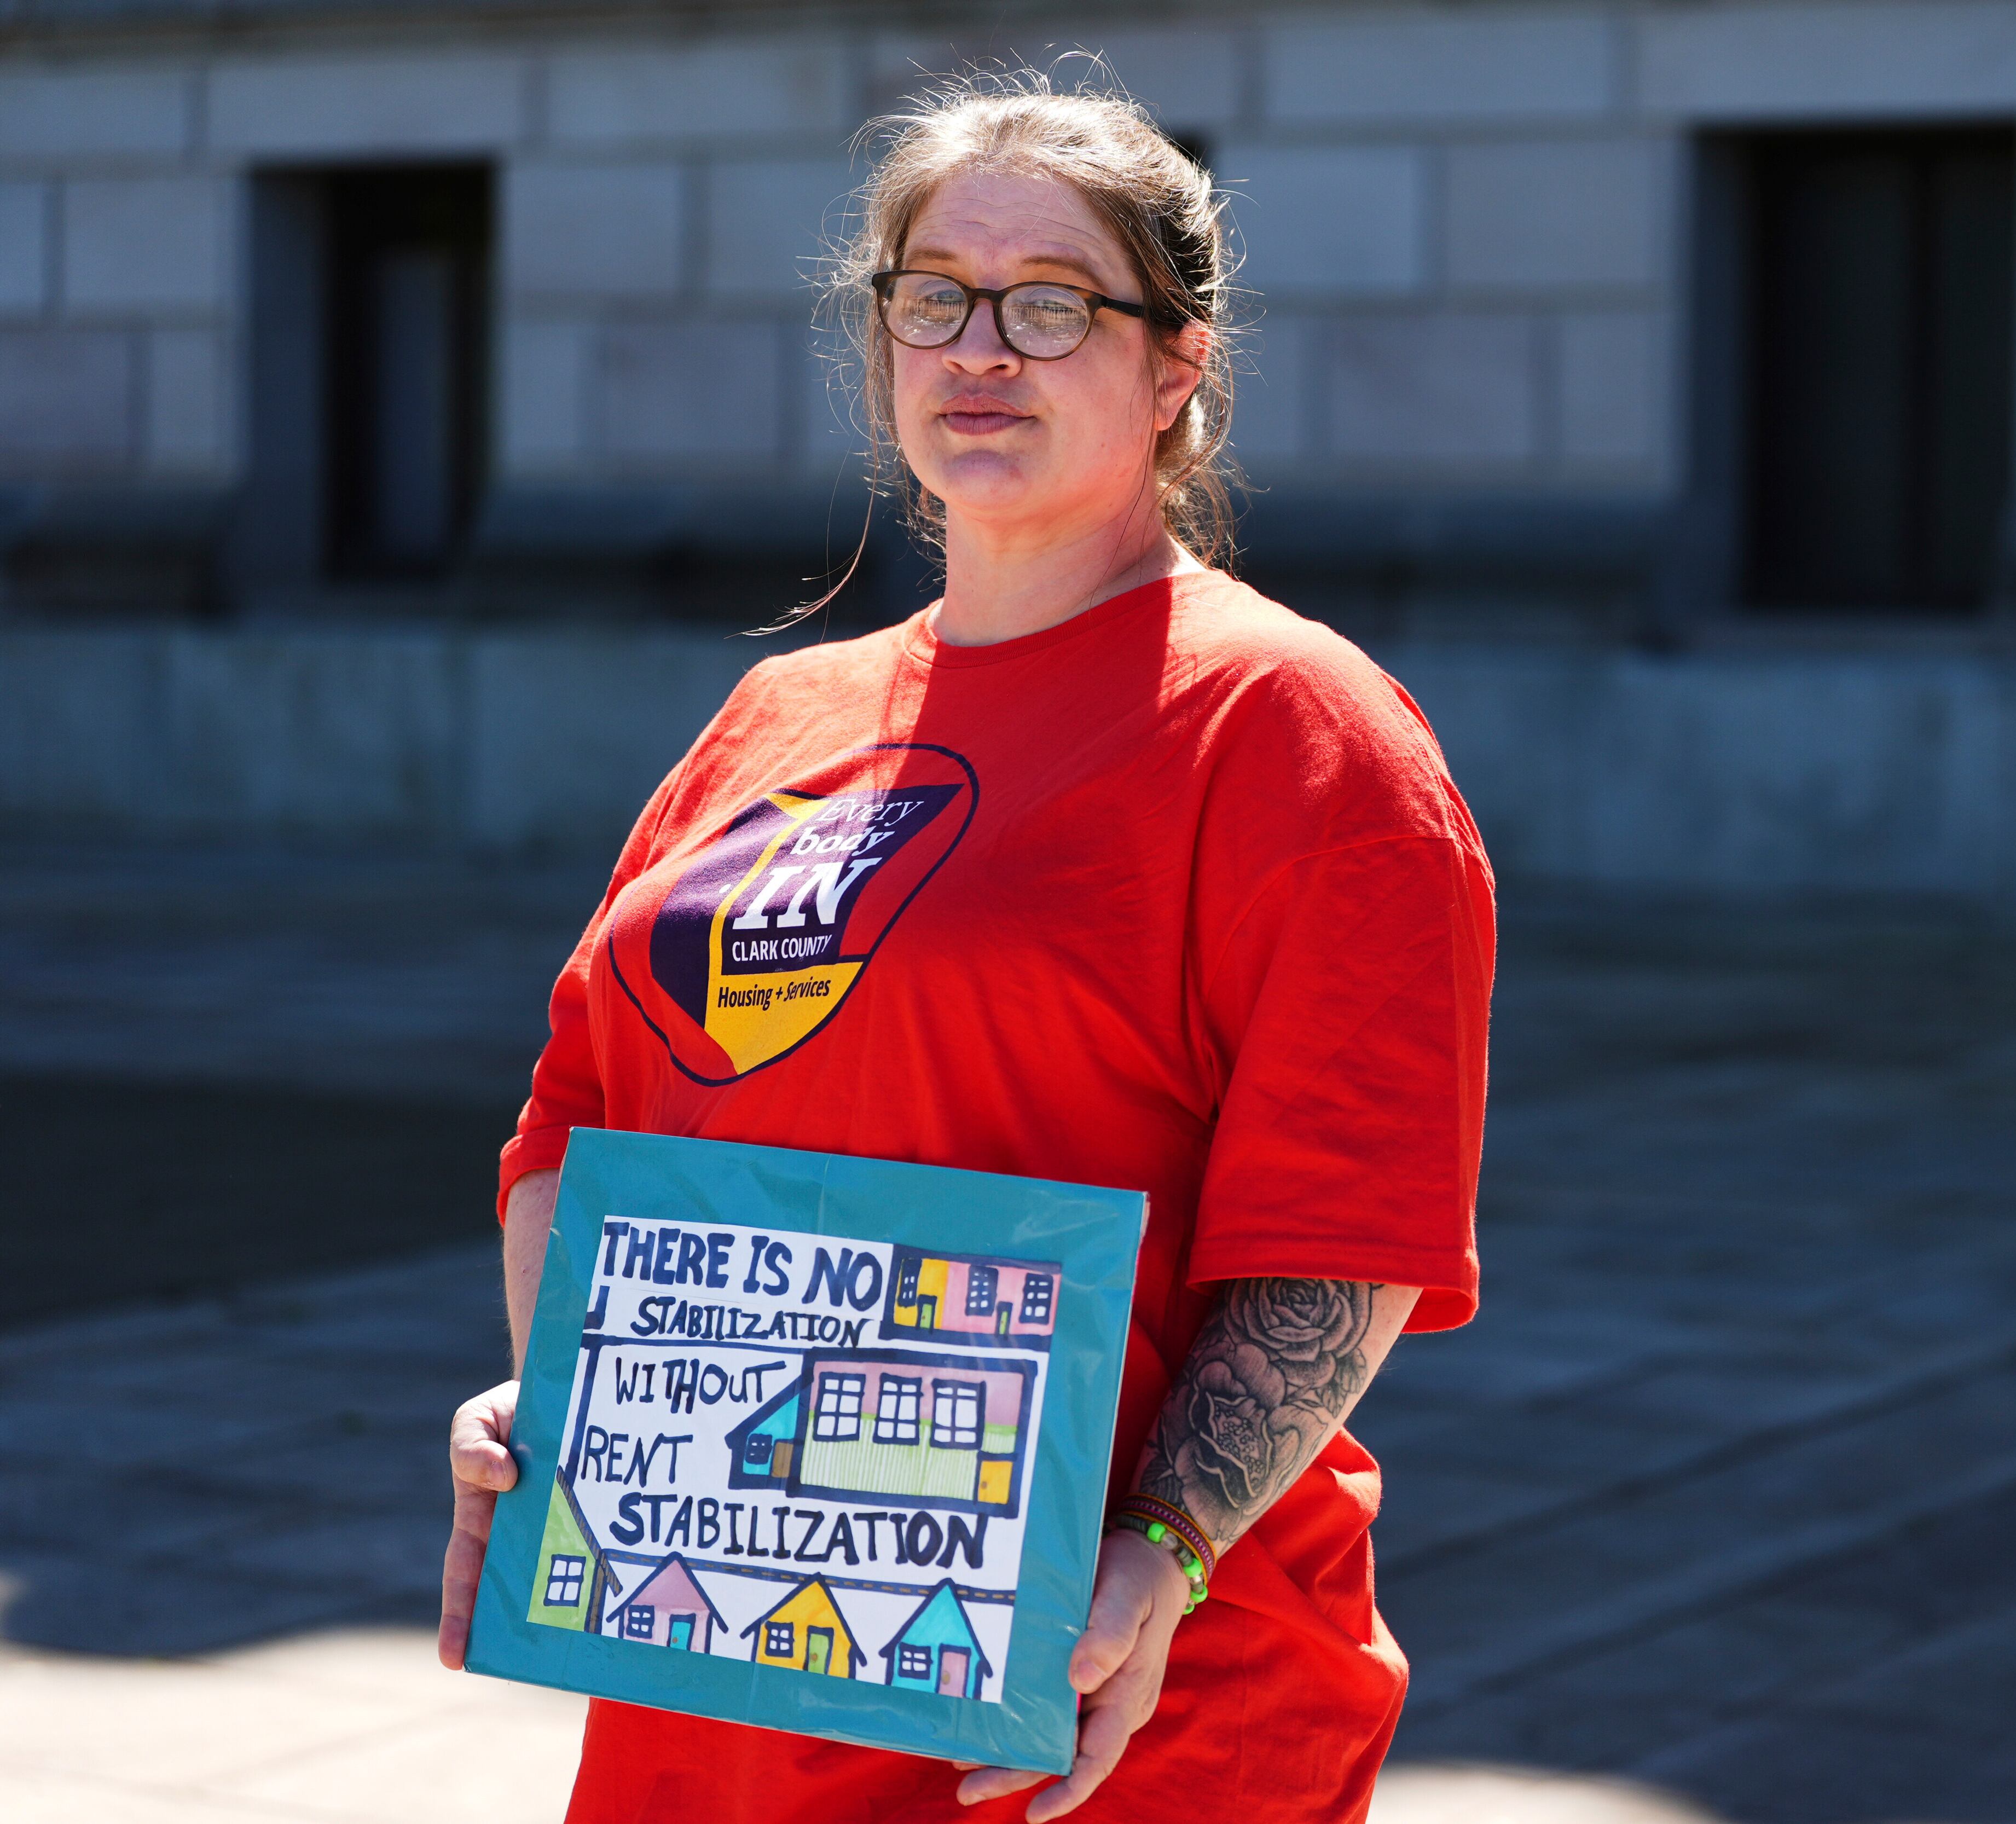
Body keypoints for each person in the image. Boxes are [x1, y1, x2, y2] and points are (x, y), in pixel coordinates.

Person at [433, 74, 1494, 1824]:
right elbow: (576, 1118)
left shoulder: (1300, 730)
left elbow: (1343, 1232)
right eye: (933, 296)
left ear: (1178, 367)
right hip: (715, 1696)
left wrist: (1161, 1552)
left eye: (1054, 303)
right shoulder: (782, 709)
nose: (979, 345)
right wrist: (581, 1414)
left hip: (1098, 1718)